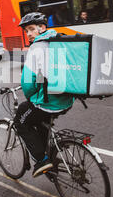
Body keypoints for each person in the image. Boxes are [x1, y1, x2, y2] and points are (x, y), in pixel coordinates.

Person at [14, 12, 74, 178]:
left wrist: (31, 95)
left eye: (32, 29)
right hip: (67, 99)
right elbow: (45, 72)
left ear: (42, 28)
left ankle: (42, 160)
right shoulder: (58, 41)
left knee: (21, 120)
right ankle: (48, 154)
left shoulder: (37, 47)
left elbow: (27, 84)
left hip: (48, 103)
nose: (29, 34)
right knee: (38, 120)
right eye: (26, 31)